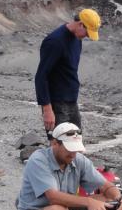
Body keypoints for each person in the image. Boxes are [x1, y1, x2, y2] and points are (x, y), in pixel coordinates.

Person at [35, 8, 101, 138]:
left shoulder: (77, 39)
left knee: (75, 143)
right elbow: (41, 77)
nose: (87, 36)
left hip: (71, 100)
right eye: (87, 33)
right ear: (81, 24)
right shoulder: (55, 41)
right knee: (59, 145)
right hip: (57, 103)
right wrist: (47, 110)